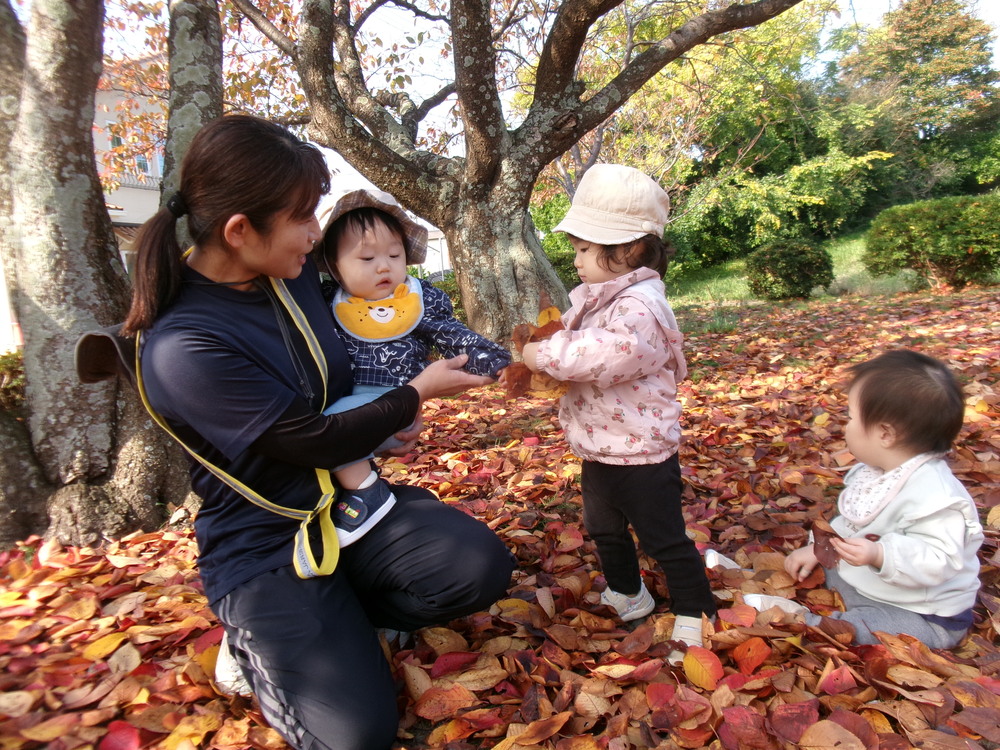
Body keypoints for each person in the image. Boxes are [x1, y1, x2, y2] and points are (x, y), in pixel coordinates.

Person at [121, 114, 515, 750]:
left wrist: (387, 418)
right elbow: (311, 439)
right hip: (262, 543)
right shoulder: (184, 345)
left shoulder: (291, 271)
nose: (316, 234)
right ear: (239, 230)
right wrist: (415, 393)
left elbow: (363, 334)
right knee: (354, 735)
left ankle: (342, 622)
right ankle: (261, 641)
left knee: (478, 566)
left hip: (345, 506)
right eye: (304, 217)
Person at [505, 163, 717, 660]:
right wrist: (543, 346)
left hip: (641, 450)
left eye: (584, 248)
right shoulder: (597, 298)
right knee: (603, 528)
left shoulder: (640, 306)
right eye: (576, 248)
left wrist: (545, 355)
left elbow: (608, 353)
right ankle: (628, 592)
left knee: (663, 536)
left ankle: (695, 608)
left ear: (628, 250)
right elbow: (573, 339)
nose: (575, 258)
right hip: (600, 445)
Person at [741, 350, 983, 649]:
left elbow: (939, 560)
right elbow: (855, 524)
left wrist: (880, 554)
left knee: (869, 631)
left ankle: (803, 620)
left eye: (851, 418)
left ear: (885, 434)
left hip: (921, 611)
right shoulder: (880, 473)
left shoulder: (937, 497)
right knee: (822, 567)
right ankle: (756, 577)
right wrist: (821, 551)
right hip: (869, 582)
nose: (845, 426)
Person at [313, 188, 511, 543]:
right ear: (333, 268)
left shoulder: (416, 302)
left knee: (329, 428)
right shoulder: (329, 303)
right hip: (363, 408)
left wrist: (490, 359)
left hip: (395, 407)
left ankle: (367, 493)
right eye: (367, 258)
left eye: (394, 254)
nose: (385, 266)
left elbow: (453, 335)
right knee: (333, 428)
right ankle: (355, 486)